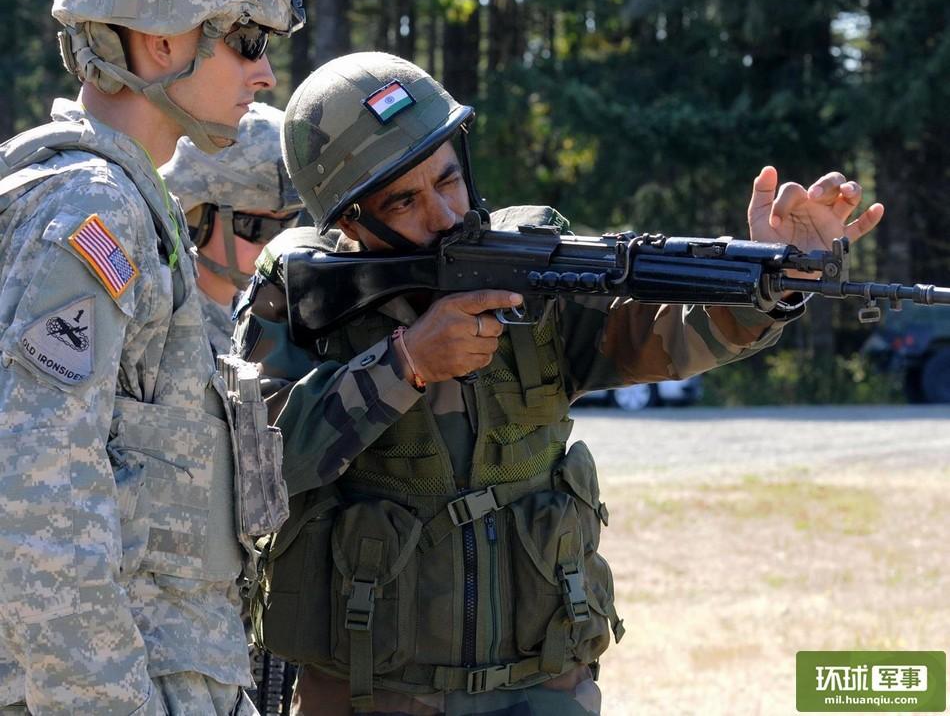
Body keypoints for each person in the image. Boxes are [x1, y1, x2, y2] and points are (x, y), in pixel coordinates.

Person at [232, 52, 884, 716]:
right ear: (349, 218)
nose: (443, 213)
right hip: (373, 691)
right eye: (404, 200)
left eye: (449, 179)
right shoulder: (299, 294)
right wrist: (403, 365)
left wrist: (769, 284)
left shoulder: (532, 265)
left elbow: (658, 333)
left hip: (544, 684)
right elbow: (251, 468)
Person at [0, 0, 305, 712]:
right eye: (247, 40)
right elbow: (39, 503)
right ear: (163, 41)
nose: (264, 73)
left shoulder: (133, 207)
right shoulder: (91, 215)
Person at [162, 102, 304, 357]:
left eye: (289, 222)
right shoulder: (158, 327)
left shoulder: (267, 317)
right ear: (194, 218)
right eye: (258, 227)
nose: (276, 245)